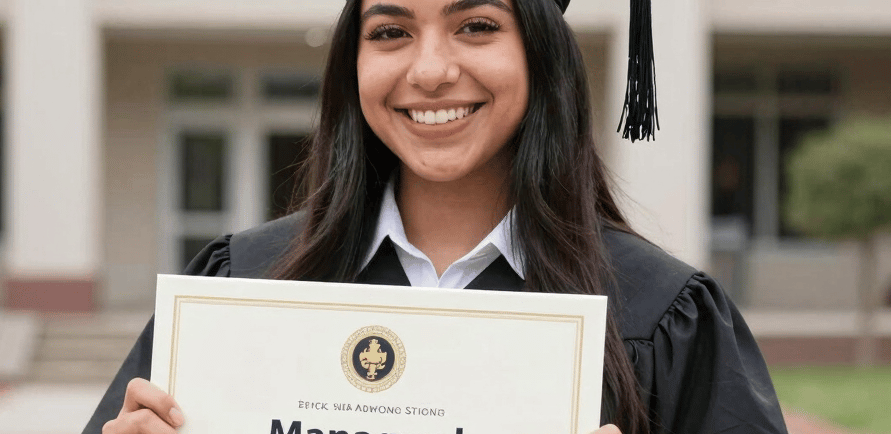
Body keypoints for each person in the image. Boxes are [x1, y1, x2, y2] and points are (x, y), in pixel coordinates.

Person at [85, 0, 789, 432]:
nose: (428, 71)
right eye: (389, 31)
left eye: (477, 25)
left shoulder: (658, 313)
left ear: (542, 55)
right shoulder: (245, 285)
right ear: (351, 61)